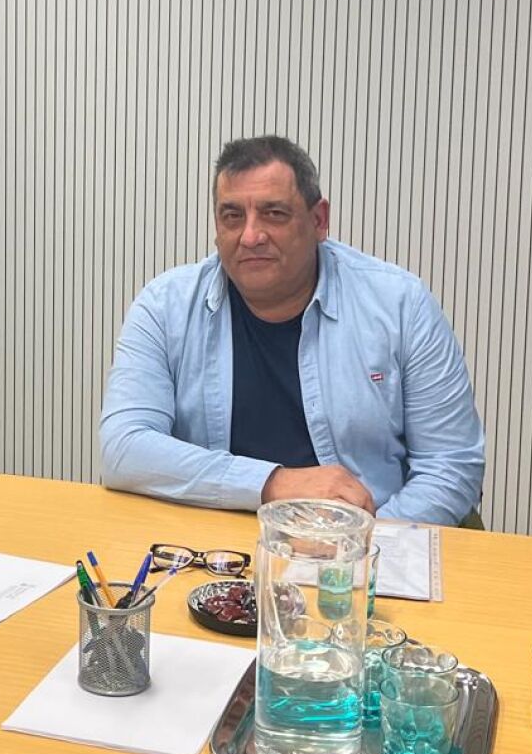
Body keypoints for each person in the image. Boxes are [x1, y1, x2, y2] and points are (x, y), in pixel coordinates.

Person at [99, 135, 484, 523]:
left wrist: (357, 545)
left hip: (373, 540)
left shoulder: (401, 304)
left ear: (319, 220)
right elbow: (123, 447)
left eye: (274, 214)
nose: (251, 236)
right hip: (217, 544)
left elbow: (451, 465)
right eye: (232, 216)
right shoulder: (165, 307)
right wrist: (273, 483)